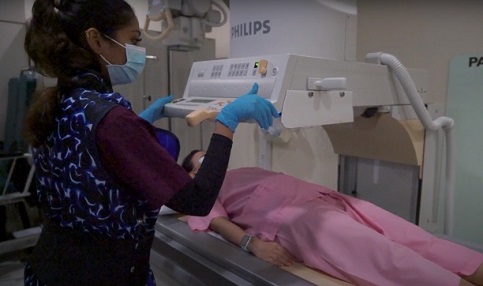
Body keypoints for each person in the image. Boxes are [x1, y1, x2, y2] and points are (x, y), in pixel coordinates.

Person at [22, 1, 279, 285]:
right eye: (133, 40)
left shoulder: (59, 103)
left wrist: (139, 125)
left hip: (51, 269)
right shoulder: (112, 120)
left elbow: (91, 162)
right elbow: (197, 199)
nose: (138, 52)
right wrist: (227, 120)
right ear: (95, 40)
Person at [182, 150, 483, 286]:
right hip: (295, 221)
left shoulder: (240, 171)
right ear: (193, 174)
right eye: (204, 159)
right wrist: (253, 245)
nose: (214, 159)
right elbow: (216, 221)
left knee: (416, 238)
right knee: (391, 257)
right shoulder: (204, 191)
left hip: (325, 197)